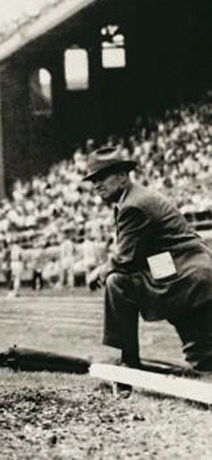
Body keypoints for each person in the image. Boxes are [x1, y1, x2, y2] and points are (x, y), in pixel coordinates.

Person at [85, 147, 212, 374]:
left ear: (123, 177)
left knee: (117, 281)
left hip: (186, 276)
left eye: (101, 177)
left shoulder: (134, 204)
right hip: (183, 272)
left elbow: (125, 259)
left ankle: (129, 361)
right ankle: (130, 361)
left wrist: (101, 271)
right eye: (93, 180)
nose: (96, 185)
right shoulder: (133, 198)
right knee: (204, 359)